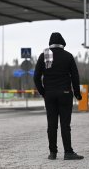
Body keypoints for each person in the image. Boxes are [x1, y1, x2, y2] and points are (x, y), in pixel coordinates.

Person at [33, 32, 84, 160]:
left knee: (52, 124)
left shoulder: (44, 55)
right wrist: (77, 93)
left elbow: (36, 77)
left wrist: (43, 92)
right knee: (65, 124)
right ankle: (68, 152)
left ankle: (53, 153)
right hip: (65, 94)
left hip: (49, 94)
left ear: (50, 43)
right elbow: (75, 77)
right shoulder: (68, 56)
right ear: (62, 43)